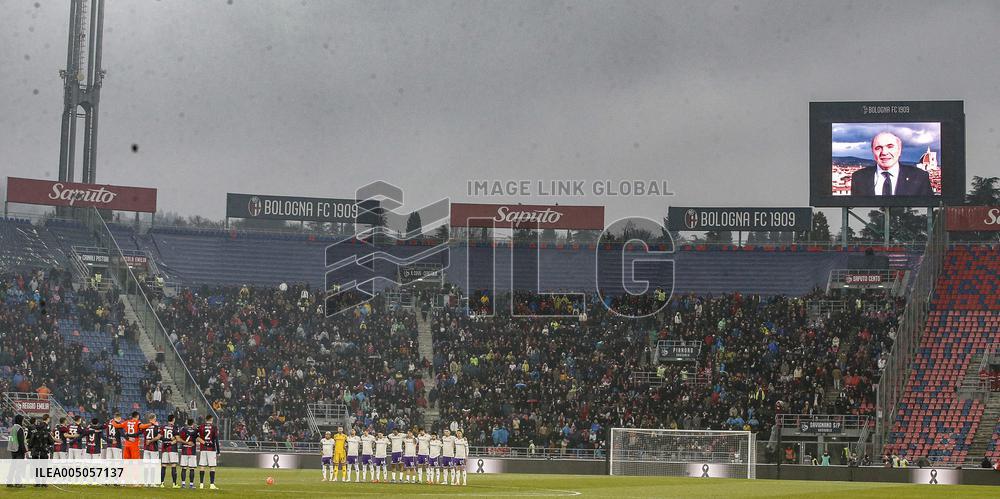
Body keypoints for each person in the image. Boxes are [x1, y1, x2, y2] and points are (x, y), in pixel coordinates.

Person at [850, 132, 933, 196]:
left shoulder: (920, 177)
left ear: (899, 150)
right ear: (873, 151)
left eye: (890, 147)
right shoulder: (859, 177)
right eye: (878, 148)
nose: (884, 152)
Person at [196, 414, 220, 489]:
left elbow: (196, 436)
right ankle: (212, 484)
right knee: (212, 467)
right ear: (211, 419)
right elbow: (216, 439)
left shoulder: (201, 426)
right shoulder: (214, 427)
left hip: (203, 448)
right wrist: (218, 451)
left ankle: (201, 484)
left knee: (202, 466)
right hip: (211, 449)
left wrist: (203, 442)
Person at [6, 415, 27, 487]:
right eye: (23, 420)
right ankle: (18, 483)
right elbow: (21, 442)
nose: (23, 421)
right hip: (19, 450)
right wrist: (24, 451)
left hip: (13, 450)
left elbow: (11, 439)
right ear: (20, 420)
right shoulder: (19, 428)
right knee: (19, 467)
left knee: (13, 467)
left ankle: (9, 482)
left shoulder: (12, 428)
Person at [160, 415, 181, 488]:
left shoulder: (163, 427)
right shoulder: (175, 427)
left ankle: (162, 483)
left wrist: (166, 440)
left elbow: (160, 437)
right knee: (173, 465)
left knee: (163, 466)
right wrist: (172, 441)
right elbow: (178, 439)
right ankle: (174, 484)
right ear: (173, 419)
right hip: (172, 449)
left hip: (165, 448)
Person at [177, 418, 198, 489]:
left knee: (184, 468)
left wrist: (186, 443)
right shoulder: (195, 430)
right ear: (193, 423)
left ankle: (183, 484)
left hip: (184, 451)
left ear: (187, 423)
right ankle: (191, 485)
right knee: (192, 468)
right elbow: (198, 438)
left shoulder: (183, 430)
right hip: (192, 451)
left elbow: (178, 439)